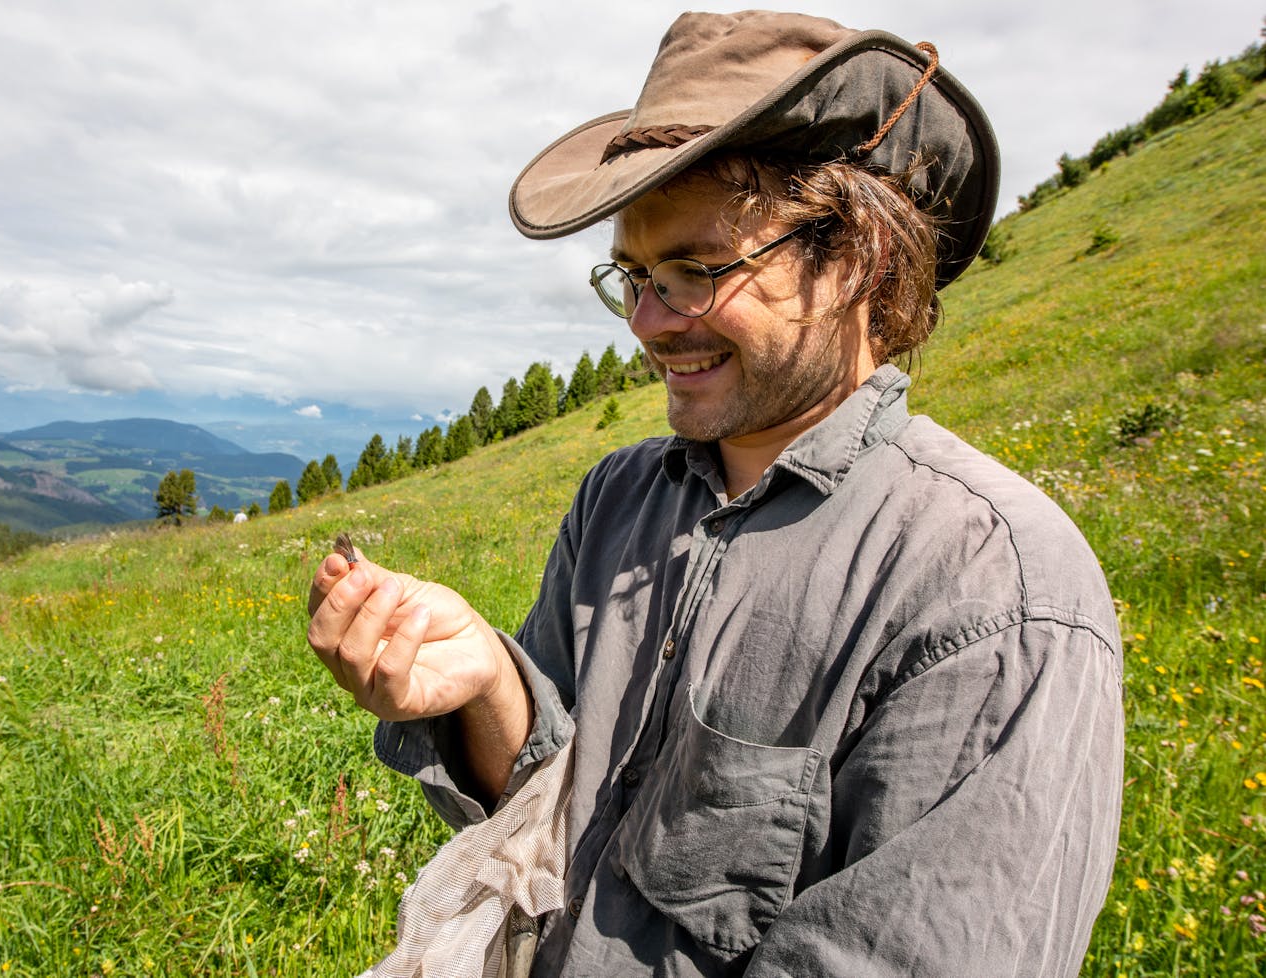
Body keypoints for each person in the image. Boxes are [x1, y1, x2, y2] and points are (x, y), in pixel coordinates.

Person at [308, 11, 1123, 977]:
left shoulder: (993, 592)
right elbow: (542, 802)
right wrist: (486, 680)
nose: (649, 324)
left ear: (859, 257)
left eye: (694, 271)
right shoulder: (617, 498)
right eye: (635, 275)